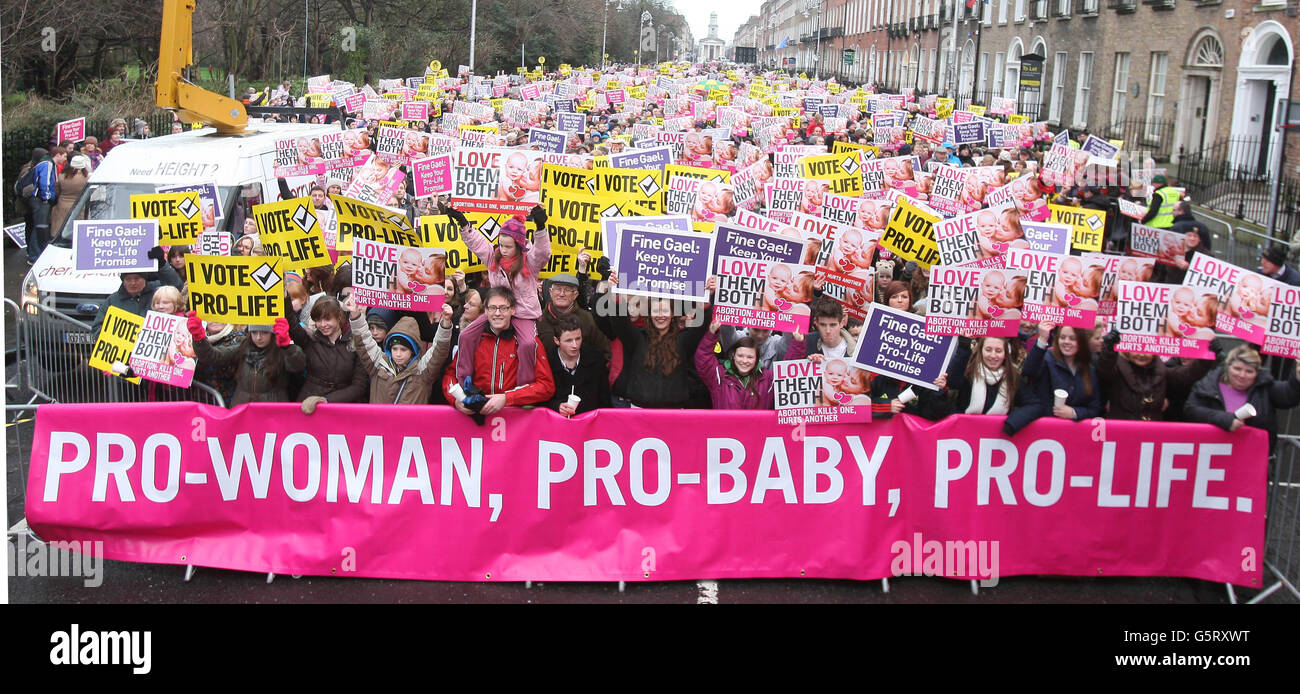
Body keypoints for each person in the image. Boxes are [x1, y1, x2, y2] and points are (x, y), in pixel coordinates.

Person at [441, 287, 555, 415]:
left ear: (513, 310)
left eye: (503, 308)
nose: (497, 313)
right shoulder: (473, 340)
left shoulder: (528, 343)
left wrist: (507, 398)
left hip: (515, 420)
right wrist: (456, 399)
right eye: (492, 308)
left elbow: (546, 386)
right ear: (485, 311)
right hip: (477, 418)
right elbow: (450, 376)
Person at [1185, 345, 1300, 450]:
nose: (1242, 375)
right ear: (1227, 367)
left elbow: (1289, 396)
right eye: (1237, 369)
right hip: (1212, 454)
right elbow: (1191, 410)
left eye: (1249, 371)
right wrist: (1225, 420)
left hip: (1253, 457)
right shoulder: (1208, 385)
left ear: (1257, 373)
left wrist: (1298, 377)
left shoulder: (1265, 386)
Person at [345, 297, 454, 405]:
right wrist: (355, 315)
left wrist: (445, 323)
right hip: (380, 422)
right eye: (394, 349)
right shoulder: (378, 365)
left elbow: (439, 350)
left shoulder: (423, 371)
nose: (398, 354)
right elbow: (364, 342)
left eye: (403, 349)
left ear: (413, 350)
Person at [1095, 328, 1215, 421]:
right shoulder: (1117, 367)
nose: (1141, 354)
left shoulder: (1162, 369)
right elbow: (1104, 370)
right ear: (1127, 348)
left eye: (1147, 349)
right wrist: (1109, 349)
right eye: (1137, 348)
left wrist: (1206, 358)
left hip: (1151, 436)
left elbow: (1187, 375)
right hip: (1120, 433)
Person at [1004, 321, 1101, 435]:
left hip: (1073, 435)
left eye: (1072, 338)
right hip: (1044, 432)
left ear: (1081, 341)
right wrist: (1042, 340)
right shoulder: (1047, 359)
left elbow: (1094, 408)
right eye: (1062, 337)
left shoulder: (1089, 370)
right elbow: (1029, 371)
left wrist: (1074, 413)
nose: (1066, 342)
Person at [187, 314, 306, 405]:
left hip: (273, 412)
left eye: (264, 333)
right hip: (243, 411)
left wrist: (287, 346)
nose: (259, 338)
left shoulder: (281, 351)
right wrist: (199, 338)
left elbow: (298, 365)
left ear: (272, 333)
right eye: (254, 333)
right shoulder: (242, 348)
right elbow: (213, 356)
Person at [695, 318, 805, 409]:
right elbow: (703, 359)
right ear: (733, 355)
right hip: (725, 433)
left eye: (750, 357)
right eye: (740, 356)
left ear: (757, 359)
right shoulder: (719, 377)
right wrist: (711, 334)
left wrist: (798, 344)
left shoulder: (768, 379)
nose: (744, 361)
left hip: (757, 433)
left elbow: (789, 369)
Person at [291, 296, 370, 412]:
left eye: (327, 319)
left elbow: (359, 386)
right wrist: (285, 297)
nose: (323, 324)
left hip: (343, 409)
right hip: (309, 405)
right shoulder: (310, 339)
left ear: (339, 317)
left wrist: (327, 400)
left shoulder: (355, 343)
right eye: (318, 320)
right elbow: (292, 323)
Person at [544, 313, 612, 415]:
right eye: (569, 340)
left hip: (590, 422)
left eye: (578, 338)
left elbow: (604, 399)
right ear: (557, 341)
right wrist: (557, 406)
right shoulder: (547, 362)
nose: (575, 345)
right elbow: (540, 400)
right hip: (558, 424)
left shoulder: (596, 358)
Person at [945, 336, 1026, 415]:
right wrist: (964, 346)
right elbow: (952, 382)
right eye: (988, 350)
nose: (993, 355)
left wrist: (1012, 422)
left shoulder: (1013, 377)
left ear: (1005, 354)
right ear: (981, 351)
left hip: (999, 427)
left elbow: (1033, 404)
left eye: (998, 351)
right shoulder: (969, 373)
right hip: (967, 426)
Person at [537, 273, 610, 358]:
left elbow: (603, 350)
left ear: (575, 295)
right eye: (558, 289)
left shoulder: (586, 318)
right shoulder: (539, 318)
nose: (562, 294)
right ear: (550, 292)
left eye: (567, 290)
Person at [805, 297, 858, 361]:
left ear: (842, 323)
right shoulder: (805, 342)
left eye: (833, 325)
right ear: (816, 322)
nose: (828, 331)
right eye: (823, 325)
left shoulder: (859, 349)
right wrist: (807, 362)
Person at [49, 154, 90, 237]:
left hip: (63, 204)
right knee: (78, 231)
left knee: (61, 228)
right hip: (80, 205)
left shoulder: (62, 176)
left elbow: (57, 190)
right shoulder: (87, 178)